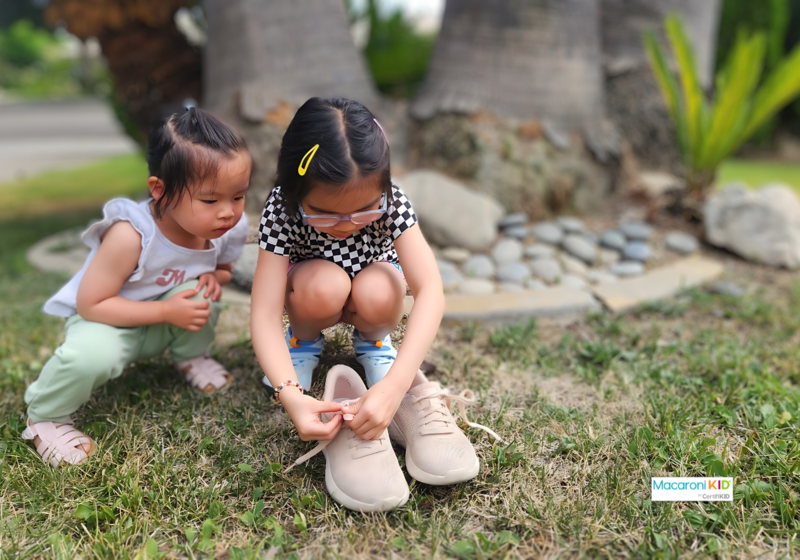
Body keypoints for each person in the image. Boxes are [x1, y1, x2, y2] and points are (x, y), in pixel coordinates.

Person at [22, 107, 251, 467]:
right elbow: (91, 304)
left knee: (201, 295)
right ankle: (45, 416)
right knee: (88, 357)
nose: (228, 212)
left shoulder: (226, 229)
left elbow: (222, 270)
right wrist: (164, 311)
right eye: (210, 200)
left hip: (167, 320)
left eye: (238, 196)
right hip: (108, 321)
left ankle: (191, 357)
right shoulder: (131, 235)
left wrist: (214, 278)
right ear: (160, 190)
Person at [250, 97, 445, 443]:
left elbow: (430, 289)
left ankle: (375, 343)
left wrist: (396, 386)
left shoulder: (393, 202)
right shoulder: (282, 209)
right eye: (325, 213)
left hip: (374, 285)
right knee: (323, 284)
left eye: (365, 210)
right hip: (313, 287)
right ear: (295, 194)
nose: (346, 225)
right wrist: (289, 394)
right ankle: (301, 343)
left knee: (380, 288)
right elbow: (264, 312)